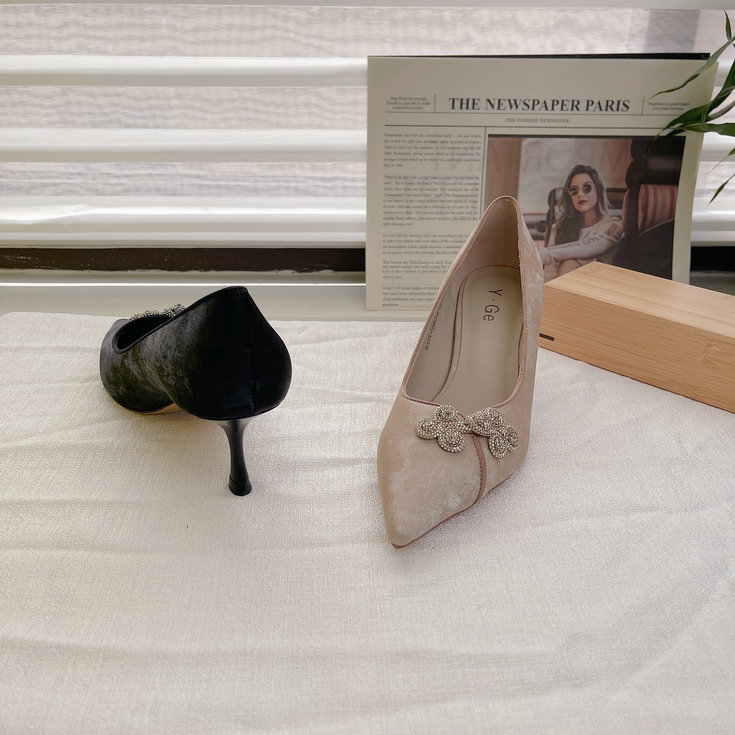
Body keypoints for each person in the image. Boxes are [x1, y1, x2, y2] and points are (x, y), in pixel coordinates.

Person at [541, 164, 623, 280]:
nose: (580, 194)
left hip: (594, 285)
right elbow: (549, 275)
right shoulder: (560, 229)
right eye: (574, 191)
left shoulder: (614, 225)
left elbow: (590, 247)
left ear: (598, 190)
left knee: (569, 262)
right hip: (559, 286)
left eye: (587, 188)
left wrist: (544, 254)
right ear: (570, 197)